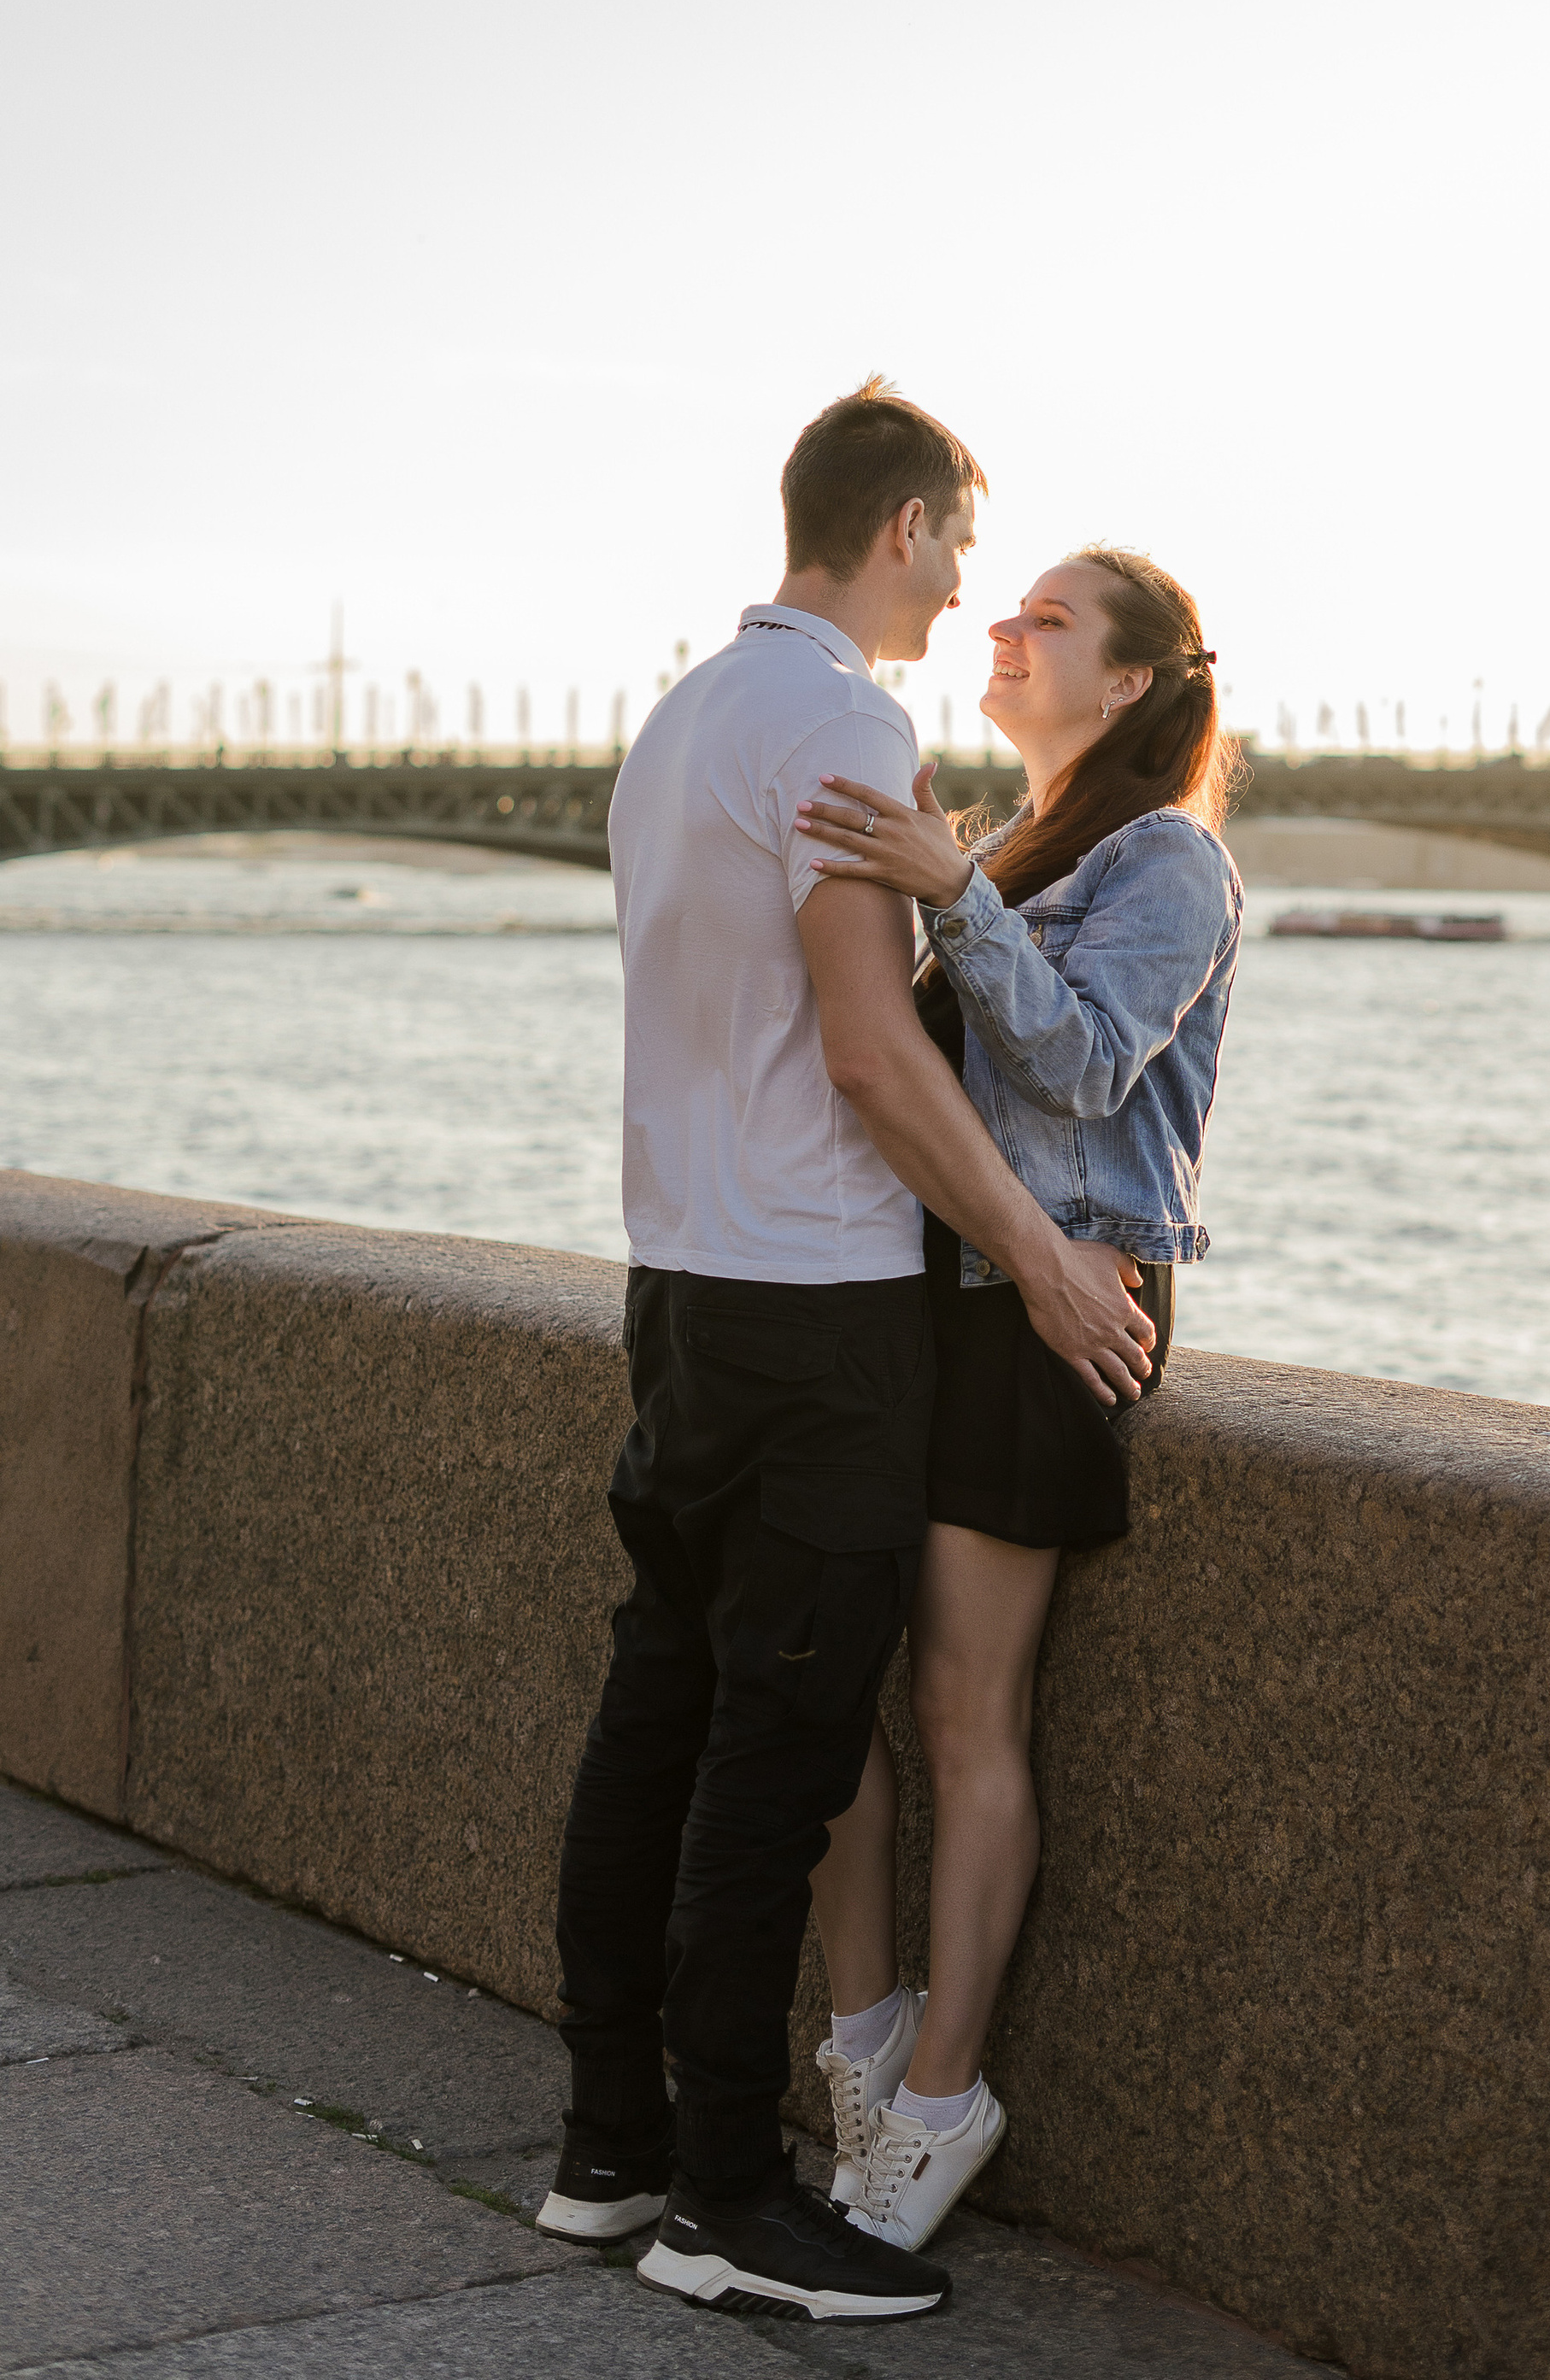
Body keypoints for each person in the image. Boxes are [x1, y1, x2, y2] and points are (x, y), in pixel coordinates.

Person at [540, 384, 1156, 2327]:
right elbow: (869, 1052)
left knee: (653, 1723)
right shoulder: (835, 721)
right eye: (960, 544)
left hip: (680, 1290)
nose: (964, 582)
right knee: (773, 1759)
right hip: (814, 1313)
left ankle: (610, 2146)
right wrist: (1040, 1262)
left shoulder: (680, 724)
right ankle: (725, 2200)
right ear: (899, 530)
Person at [791, 542, 1242, 2252]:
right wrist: (945, 876)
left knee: (970, 1715)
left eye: (1046, 619)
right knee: (836, 1689)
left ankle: (936, 2100)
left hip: (1054, 1308)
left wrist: (943, 891)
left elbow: (1080, 1063)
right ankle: (864, 2042)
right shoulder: (1010, 842)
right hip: (919, 1299)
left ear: (1125, 683)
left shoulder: (1171, 862)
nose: (1003, 626)